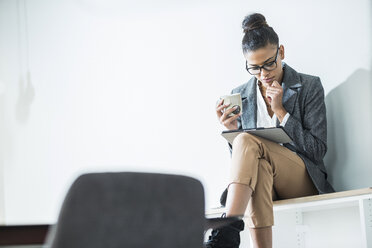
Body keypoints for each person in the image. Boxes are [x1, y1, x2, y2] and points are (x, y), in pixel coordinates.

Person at [206, 13, 334, 248]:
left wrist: (282, 112)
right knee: (259, 165)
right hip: (263, 182)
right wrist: (231, 131)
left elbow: (317, 150)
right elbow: (243, 167)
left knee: (248, 141)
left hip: (301, 179)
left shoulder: (309, 86)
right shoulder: (241, 93)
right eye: (254, 68)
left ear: (281, 52)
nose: (264, 74)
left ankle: (227, 230)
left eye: (269, 63)